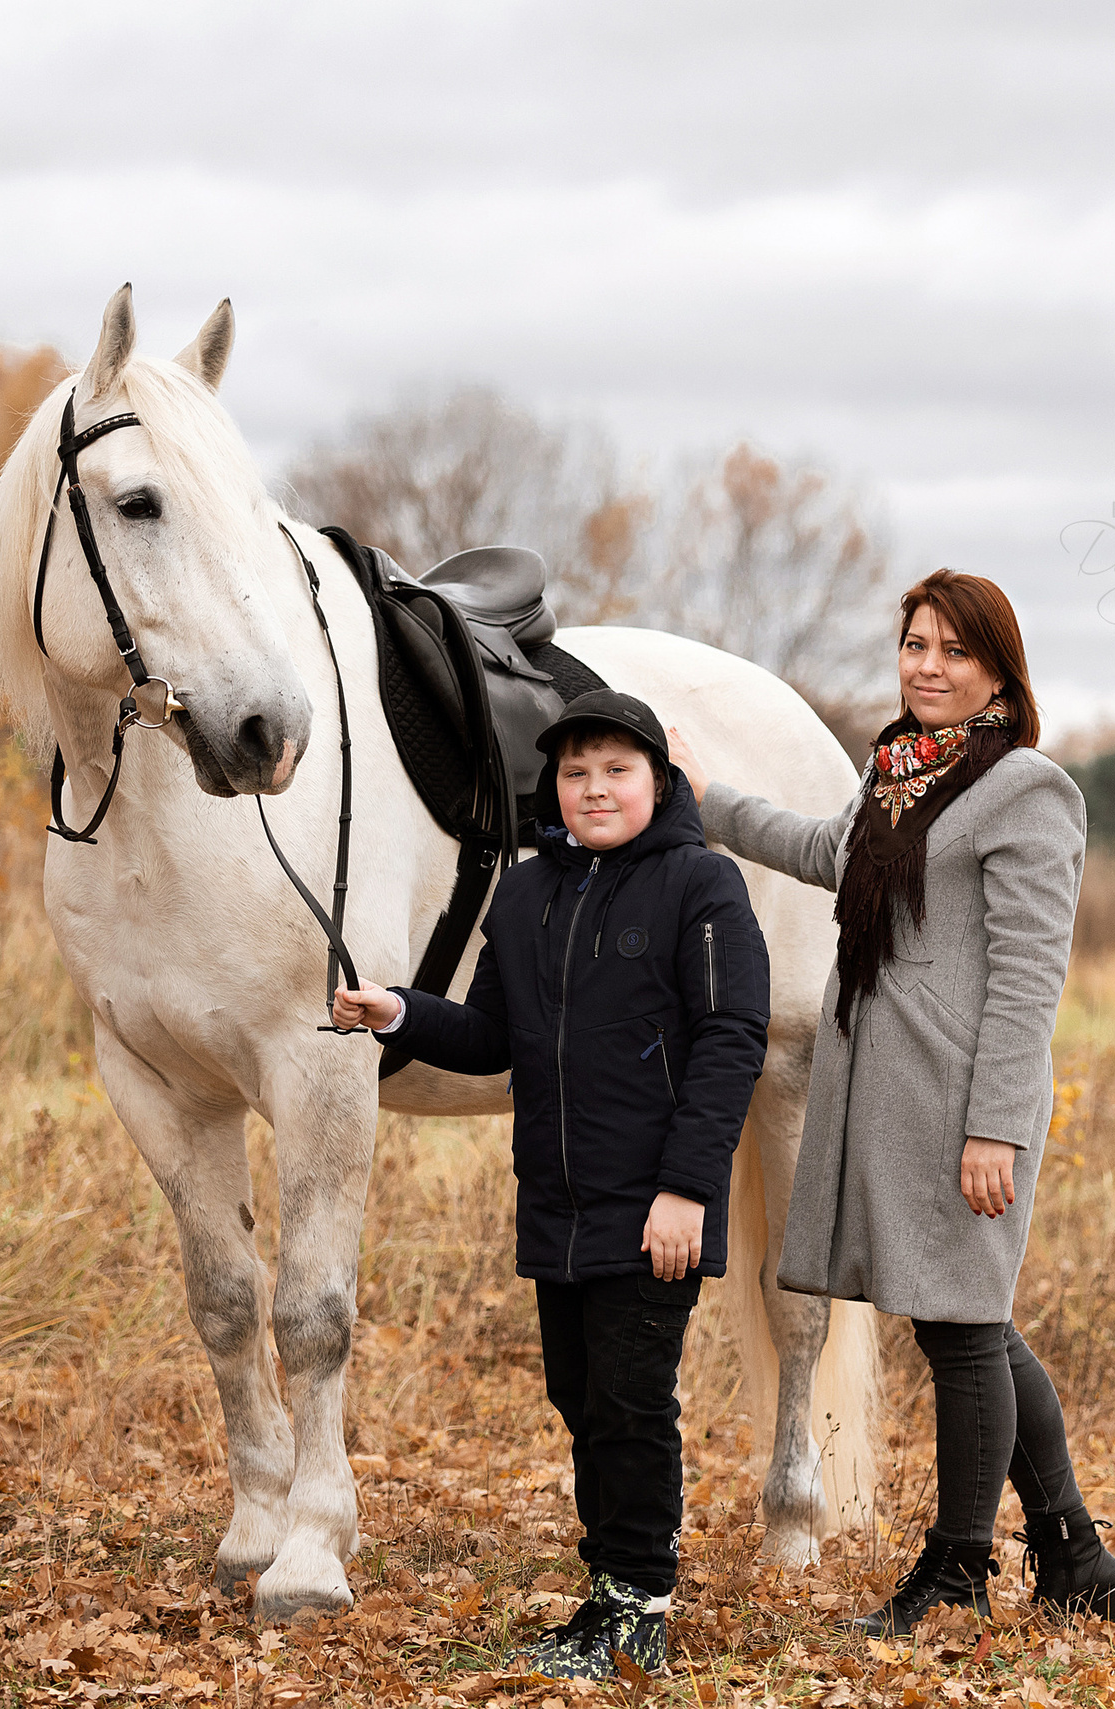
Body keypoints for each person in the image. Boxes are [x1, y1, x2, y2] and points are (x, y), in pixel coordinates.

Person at [670, 570, 1115, 1631]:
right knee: (969, 1323)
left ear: (998, 674)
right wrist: (705, 798)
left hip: (959, 1101)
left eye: (954, 651)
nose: (927, 666)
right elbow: (822, 853)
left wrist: (996, 1128)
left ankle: (957, 1569)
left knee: (963, 1332)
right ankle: (1075, 1553)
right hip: (886, 1094)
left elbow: (1028, 978)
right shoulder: (895, 773)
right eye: (915, 645)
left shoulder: (1026, 791)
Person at [330, 689, 771, 1680]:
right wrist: (399, 1011)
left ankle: (638, 1607)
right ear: (554, 787)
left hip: (655, 1206)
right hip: (558, 1204)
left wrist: (686, 1191)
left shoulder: (702, 884)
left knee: (631, 1400)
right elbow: (491, 1036)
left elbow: (731, 1040)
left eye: (617, 769)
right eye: (576, 772)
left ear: (658, 780)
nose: (595, 788)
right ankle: (605, 1592)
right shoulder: (525, 895)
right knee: (580, 1396)